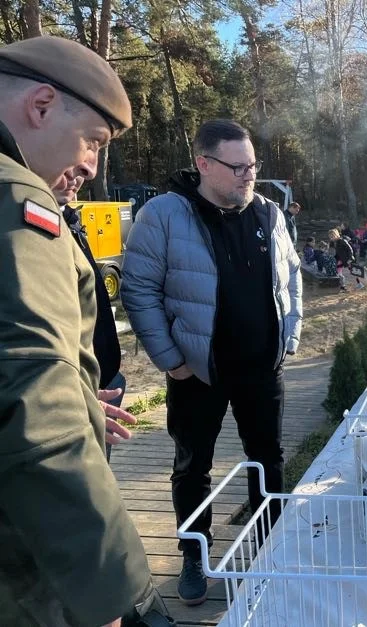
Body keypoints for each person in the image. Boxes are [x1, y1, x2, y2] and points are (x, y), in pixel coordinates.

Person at [0, 35, 169, 627]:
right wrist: (109, 589)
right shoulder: (18, 201)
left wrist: (68, 388)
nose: (93, 167)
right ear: (41, 106)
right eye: (93, 142)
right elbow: (34, 408)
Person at [121, 119, 302, 607]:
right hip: (196, 371)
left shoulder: (268, 212)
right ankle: (194, 554)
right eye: (237, 166)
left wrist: (291, 335)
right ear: (204, 164)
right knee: (192, 465)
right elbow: (138, 290)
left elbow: (292, 275)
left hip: (263, 369)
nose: (249, 175)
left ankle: (269, 552)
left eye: (253, 166)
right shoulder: (162, 215)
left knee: (268, 461)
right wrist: (170, 360)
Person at [55, 174, 127, 462]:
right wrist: (70, 393)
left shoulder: (67, 217)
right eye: (86, 142)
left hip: (102, 381)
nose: (86, 170)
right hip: (67, 397)